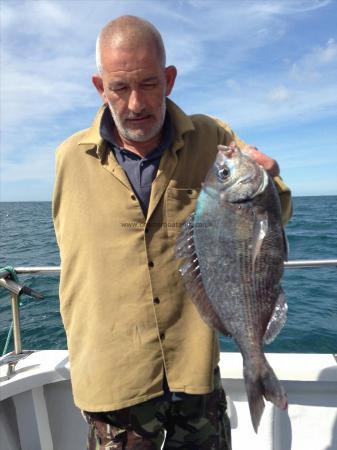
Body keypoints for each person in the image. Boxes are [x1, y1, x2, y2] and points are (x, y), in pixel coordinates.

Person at [52, 15, 292, 450]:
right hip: (114, 379)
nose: (135, 104)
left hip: (194, 373)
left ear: (169, 79)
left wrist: (270, 182)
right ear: (99, 86)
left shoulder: (212, 138)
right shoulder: (70, 158)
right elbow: (77, 262)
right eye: (120, 88)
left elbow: (272, 220)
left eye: (148, 84)